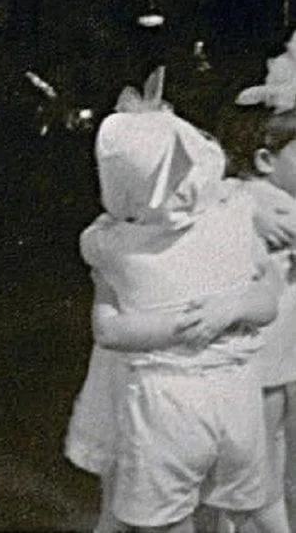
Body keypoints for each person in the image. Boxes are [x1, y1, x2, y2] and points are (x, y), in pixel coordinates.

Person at [77, 81, 285, 532]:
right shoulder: (233, 217)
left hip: (165, 402)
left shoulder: (110, 244)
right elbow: (266, 303)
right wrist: (224, 312)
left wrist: (179, 322)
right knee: (245, 506)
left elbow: (109, 331)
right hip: (237, 393)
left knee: (164, 518)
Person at [214, 98, 296, 533]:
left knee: (264, 457)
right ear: (265, 160)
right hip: (263, 359)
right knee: (260, 465)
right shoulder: (269, 203)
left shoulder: (242, 197)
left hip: (273, 356)